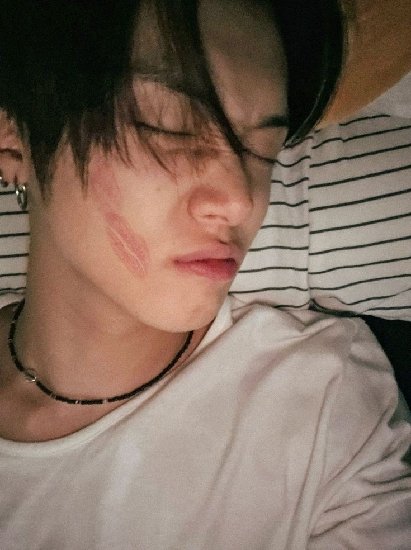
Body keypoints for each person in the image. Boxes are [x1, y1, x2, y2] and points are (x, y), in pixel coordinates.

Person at [0, 1, 409, 549]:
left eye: (263, 150)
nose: (241, 199)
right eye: (169, 128)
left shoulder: (322, 407)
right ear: (12, 140)